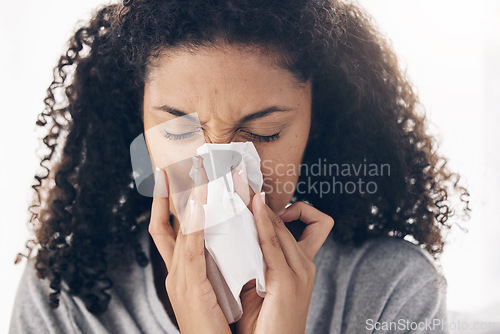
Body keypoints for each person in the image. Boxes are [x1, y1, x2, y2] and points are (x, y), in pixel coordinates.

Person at [9, 0, 470, 333]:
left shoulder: (392, 291)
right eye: (177, 131)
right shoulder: (66, 294)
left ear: (318, 126)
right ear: (137, 123)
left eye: (264, 133)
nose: (218, 176)